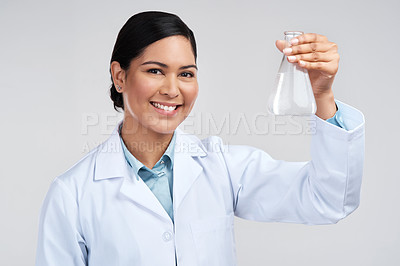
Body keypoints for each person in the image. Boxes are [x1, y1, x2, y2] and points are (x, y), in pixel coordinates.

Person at [35, 11, 365, 266]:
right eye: (154, 70)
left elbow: (328, 200)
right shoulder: (73, 194)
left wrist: (322, 95)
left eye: (186, 73)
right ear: (119, 75)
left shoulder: (220, 166)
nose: (172, 89)